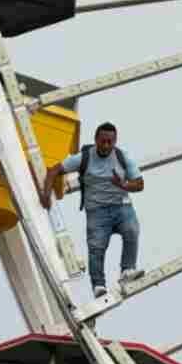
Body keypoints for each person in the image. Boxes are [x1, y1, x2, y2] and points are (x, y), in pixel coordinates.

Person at [40, 121, 145, 298]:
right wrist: (46, 193)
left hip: (121, 206)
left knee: (132, 230)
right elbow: (53, 171)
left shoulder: (122, 156)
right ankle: (98, 285)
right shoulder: (84, 158)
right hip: (96, 211)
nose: (105, 146)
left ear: (115, 141)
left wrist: (124, 184)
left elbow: (140, 184)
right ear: (96, 140)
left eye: (110, 142)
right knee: (96, 247)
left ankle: (127, 270)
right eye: (102, 141)